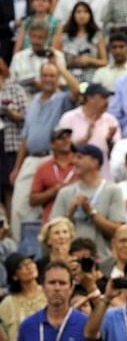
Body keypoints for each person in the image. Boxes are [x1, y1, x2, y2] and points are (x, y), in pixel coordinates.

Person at [9, 57, 79, 242]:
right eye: (45, 75)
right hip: (31, 158)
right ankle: (21, 247)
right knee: (19, 206)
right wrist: (17, 167)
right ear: (40, 77)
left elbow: (76, 90)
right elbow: (25, 138)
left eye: (52, 75)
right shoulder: (33, 102)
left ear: (58, 78)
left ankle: (44, 245)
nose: (48, 79)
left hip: (52, 157)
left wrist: (60, 68)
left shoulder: (61, 99)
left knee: (48, 206)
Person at [50, 144, 127, 257]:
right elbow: (51, 230)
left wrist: (91, 212)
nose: (74, 161)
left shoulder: (113, 190)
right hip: (70, 259)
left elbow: (118, 231)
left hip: (102, 259)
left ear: (94, 162)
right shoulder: (65, 192)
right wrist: (70, 211)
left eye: (79, 157)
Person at [59, 83, 120, 179]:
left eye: (107, 98)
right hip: (75, 178)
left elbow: (117, 154)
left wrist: (109, 141)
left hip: (103, 178)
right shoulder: (69, 118)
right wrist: (85, 138)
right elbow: (61, 149)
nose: (106, 102)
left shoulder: (111, 121)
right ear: (89, 98)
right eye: (103, 97)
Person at [17, 260, 88, 341]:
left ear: (71, 288)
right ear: (43, 287)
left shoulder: (85, 324)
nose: (57, 288)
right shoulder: (27, 326)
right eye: (52, 283)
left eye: (62, 283)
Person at [30, 126, 78, 224]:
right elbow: (32, 200)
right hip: (53, 221)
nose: (66, 141)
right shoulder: (43, 168)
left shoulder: (80, 163)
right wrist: (53, 191)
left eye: (68, 137)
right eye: (61, 138)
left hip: (78, 219)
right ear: (52, 144)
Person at [52, 1, 107, 83]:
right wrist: (70, 62)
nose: (82, 15)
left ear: (90, 15)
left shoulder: (97, 34)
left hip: (90, 76)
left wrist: (90, 60)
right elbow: (54, 57)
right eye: (78, 12)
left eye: (85, 12)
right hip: (68, 76)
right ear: (73, 15)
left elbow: (104, 61)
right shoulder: (64, 33)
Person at [9, 21, 67, 97]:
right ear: (29, 36)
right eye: (34, 36)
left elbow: (63, 84)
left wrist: (43, 85)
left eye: (40, 37)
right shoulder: (18, 57)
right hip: (23, 100)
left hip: (51, 99)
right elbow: (11, 83)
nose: (36, 41)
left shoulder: (57, 55)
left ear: (46, 38)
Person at [0, 65, 27, 223]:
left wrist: (10, 113)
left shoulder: (16, 90)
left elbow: (27, 117)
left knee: (9, 186)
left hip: (10, 144)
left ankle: (10, 225)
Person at [0, 253, 46, 341]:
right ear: (14, 276)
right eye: (22, 266)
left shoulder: (48, 292)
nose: (29, 267)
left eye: (30, 262)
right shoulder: (8, 303)